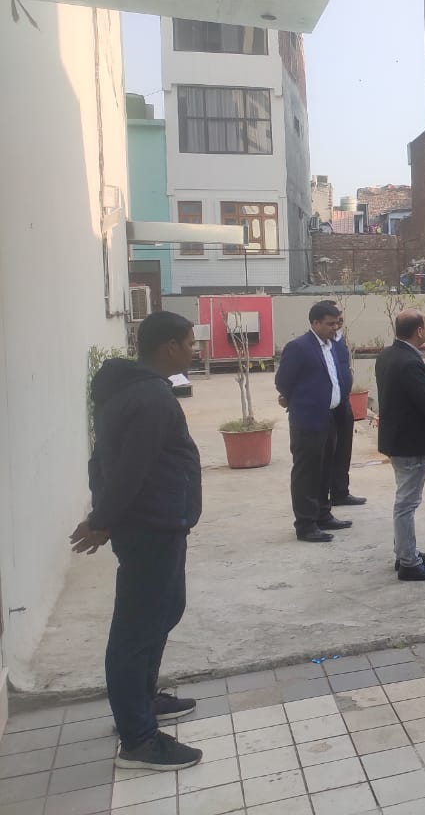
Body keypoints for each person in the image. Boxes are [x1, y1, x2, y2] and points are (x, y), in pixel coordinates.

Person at [72, 311, 204, 771]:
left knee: (165, 611)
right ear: (169, 347)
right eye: (190, 343)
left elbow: (101, 460)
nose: (194, 350)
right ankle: (138, 739)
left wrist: (105, 514)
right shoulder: (150, 398)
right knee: (136, 630)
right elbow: (130, 469)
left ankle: (141, 701)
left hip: (158, 523)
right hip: (151, 526)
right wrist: (102, 519)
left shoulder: (128, 389)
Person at [374, 310, 425, 582]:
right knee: (407, 503)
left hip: (397, 439)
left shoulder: (388, 355)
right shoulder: (408, 361)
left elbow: (406, 393)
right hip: (411, 443)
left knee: (404, 499)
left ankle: (405, 550)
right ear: (419, 330)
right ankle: (409, 563)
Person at [276, 301, 355, 542]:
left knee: (324, 469)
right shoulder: (299, 347)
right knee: (307, 473)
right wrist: (297, 400)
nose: (335, 328)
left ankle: (323, 514)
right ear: (315, 323)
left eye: (337, 323)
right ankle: (305, 524)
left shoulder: (331, 346)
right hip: (308, 419)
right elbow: (283, 381)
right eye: (330, 324)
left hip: (329, 417)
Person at [326, 306, 367, 509]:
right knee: (328, 451)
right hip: (327, 405)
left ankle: (340, 492)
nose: (338, 325)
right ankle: (322, 496)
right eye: (334, 321)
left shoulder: (340, 340)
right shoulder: (323, 344)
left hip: (343, 402)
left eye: (340, 321)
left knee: (344, 449)